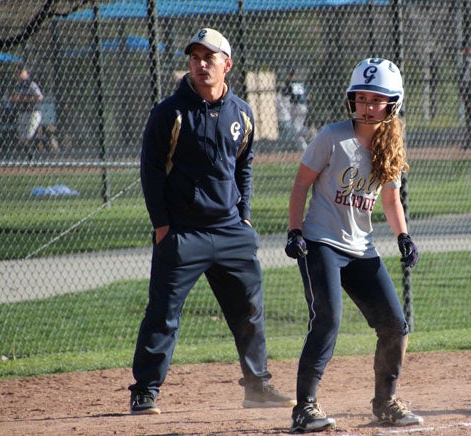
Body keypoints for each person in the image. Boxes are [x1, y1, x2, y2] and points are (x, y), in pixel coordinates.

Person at [130, 27, 295, 415]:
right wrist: (162, 225)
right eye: (194, 57)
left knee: (250, 310)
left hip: (231, 230)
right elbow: (151, 170)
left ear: (227, 65)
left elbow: (244, 166)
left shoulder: (242, 112)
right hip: (183, 233)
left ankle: (257, 386)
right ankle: (145, 390)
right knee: (163, 313)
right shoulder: (170, 112)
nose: (201, 64)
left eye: (209, 57)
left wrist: (246, 217)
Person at [285, 58, 423, 433]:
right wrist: (295, 231)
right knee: (328, 318)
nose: (368, 105)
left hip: (361, 248)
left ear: (392, 103)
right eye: (361, 97)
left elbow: (391, 200)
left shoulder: (388, 145)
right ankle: (304, 408)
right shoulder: (333, 137)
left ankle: (385, 403)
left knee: (395, 325)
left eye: (377, 99)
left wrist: (403, 237)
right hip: (321, 243)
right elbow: (300, 185)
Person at [9, 64, 43, 159]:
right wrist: (15, 98)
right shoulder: (17, 85)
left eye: (21, 71)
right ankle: (30, 154)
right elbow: (11, 97)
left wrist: (23, 98)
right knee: (22, 137)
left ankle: (34, 154)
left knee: (29, 134)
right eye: (18, 71)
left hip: (33, 112)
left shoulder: (31, 84)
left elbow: (40, 97)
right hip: (22, 112)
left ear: (27, 73)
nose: (18, 73)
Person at [283, 68, 310, 150]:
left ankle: (307, 134)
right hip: (303, 106)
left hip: (296, 106)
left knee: (296, 130)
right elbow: (308, 96)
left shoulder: (291, 83)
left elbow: (285, 92)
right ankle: (307, 133)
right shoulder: (301, 84)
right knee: (297, 128)